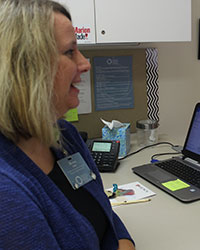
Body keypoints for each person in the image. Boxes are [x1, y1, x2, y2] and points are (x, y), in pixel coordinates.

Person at [0, 0, 135, 249]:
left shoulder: (65, 137)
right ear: (27, 68)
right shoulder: (7, 192)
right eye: (70, 52)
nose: (85, 64)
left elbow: (105, 216)